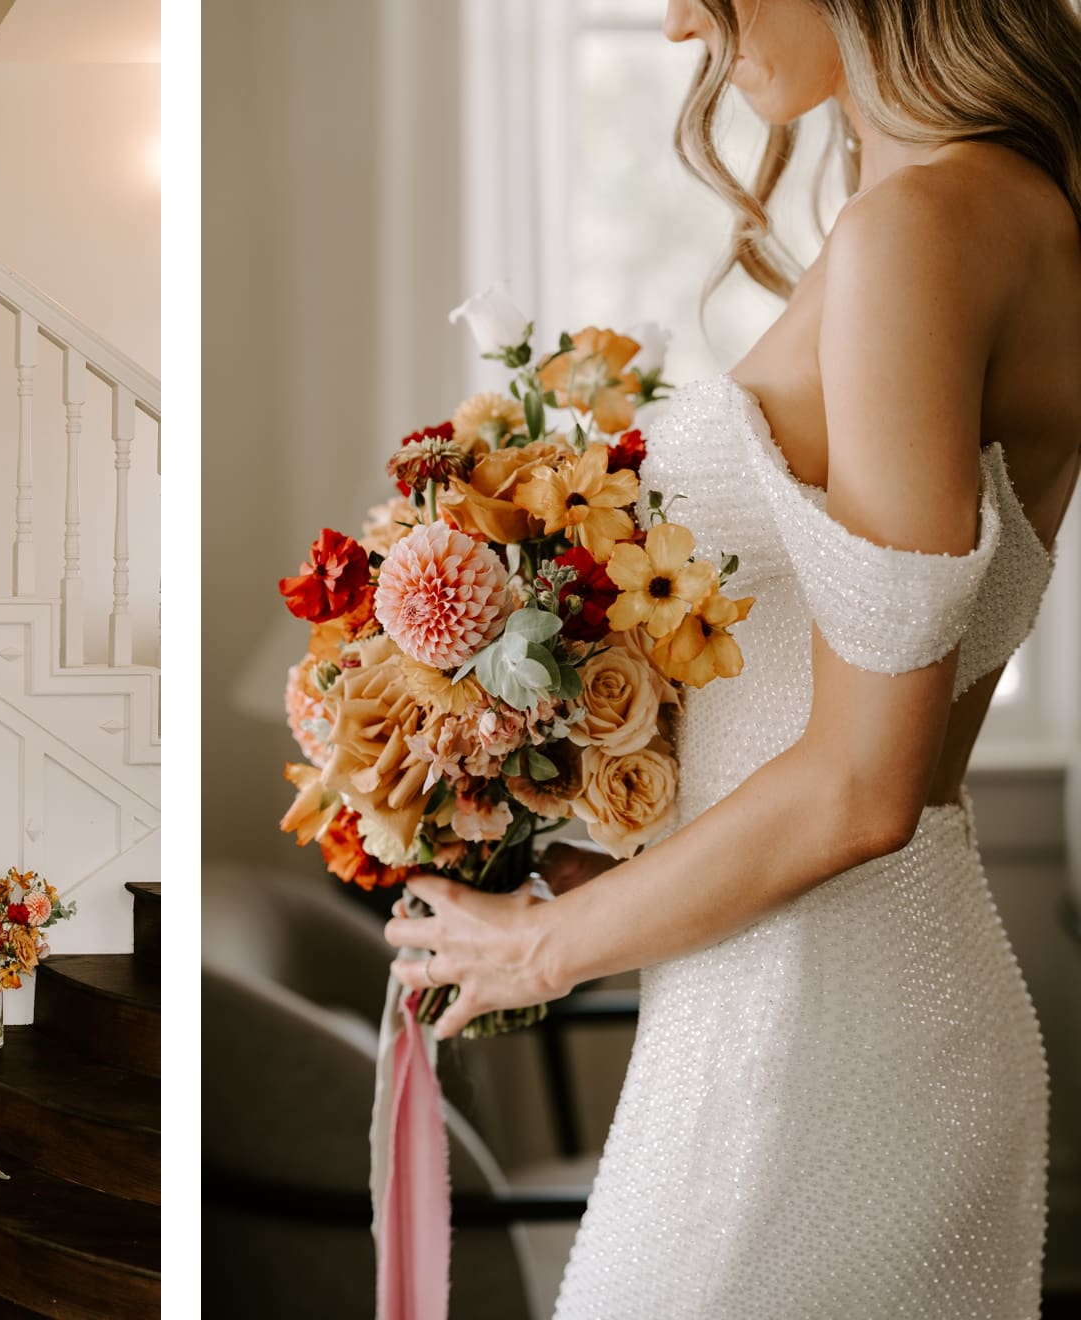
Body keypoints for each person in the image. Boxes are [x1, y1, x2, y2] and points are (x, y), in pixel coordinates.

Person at [383, 0, 1078, 1314]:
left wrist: (540, 948)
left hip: (828, 1025)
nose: (679, 20)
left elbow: (866, 787)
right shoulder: (990, 209)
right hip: (796, 997)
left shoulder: (920, 230)